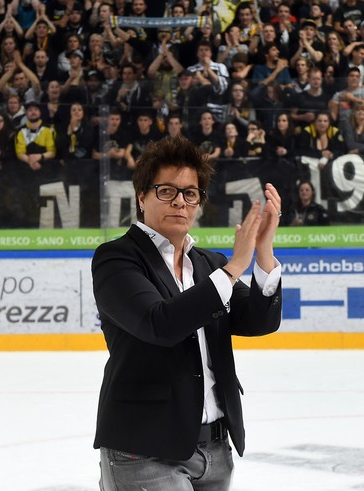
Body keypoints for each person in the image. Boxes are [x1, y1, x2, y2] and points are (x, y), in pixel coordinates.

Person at [92, 135, 283, 489]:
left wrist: (263, 252)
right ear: (141, 196)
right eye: (167, 191)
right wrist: (234, 267)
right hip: (144, 449)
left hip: (215, 450)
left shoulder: (207, 263)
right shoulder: (117, 259)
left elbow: (259, 320)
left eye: (190, 194)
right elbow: (159, 324)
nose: (180, 202)